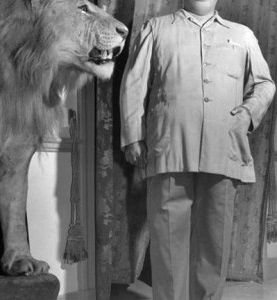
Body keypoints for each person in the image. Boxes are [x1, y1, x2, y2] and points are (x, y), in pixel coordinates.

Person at [120, 0, 276, 299]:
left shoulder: (242, 35)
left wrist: (247, 112)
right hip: (169, 149)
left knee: (214, 243)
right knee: (167, 241)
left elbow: (265, 84)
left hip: (224, 148)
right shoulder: (156, 29)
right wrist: (132, 137)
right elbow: (134, 84)